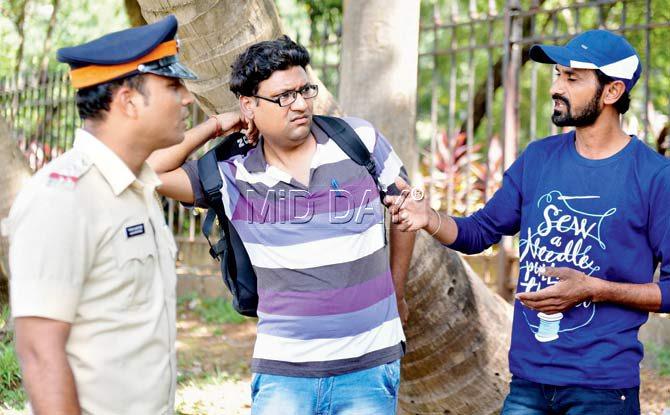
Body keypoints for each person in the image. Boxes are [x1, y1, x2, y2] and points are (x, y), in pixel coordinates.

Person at [387, 29, 670, 414]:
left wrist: (594, 289)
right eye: (557, 74)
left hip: (602, 389)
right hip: (527, 384)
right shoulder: (538, 158)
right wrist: (428, 218)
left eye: (572, 77)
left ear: (612, 92)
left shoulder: (654, 177)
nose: (557, 86)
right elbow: (479, 232)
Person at [148, 35, 416, 414]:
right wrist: (216, 125)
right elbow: (144, 171)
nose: (301, 104)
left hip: (369, 367)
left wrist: (398, 289)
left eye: (305, 90)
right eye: (283, 97)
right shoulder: (231, 172)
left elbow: (407, 209)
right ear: (249, 105)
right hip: (283, 375)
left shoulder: (359, 141)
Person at [2, 15, 249, 415]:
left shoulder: (135, 184)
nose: (187, 98)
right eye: (173, 86)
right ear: (129, 102)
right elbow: (39, 353)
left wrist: (218, 126)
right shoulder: (63, 199)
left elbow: (159, 163)